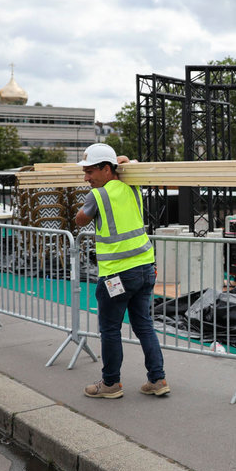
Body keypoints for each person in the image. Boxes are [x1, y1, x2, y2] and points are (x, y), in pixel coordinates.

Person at [74, 143, 169, 399]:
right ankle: (157, 380)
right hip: (145, 268)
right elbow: (132, 162)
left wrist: (81, 212)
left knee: (110, 329)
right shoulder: (132, 185)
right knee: (144, 326)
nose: (86, 178)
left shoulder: (98, 196)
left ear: (106, 169)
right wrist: (122, 160)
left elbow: (80, 220)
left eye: (90, 171)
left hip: (117, 274)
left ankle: (111, 384)